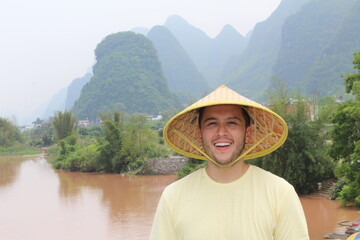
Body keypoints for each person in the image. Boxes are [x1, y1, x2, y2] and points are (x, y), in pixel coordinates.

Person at [150, 85, 309, 240]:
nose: (221, 132)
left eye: (232, 123)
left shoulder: (280, 194)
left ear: (248, 132)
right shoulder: (173, 197)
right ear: (200, 134)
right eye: (212, 124)